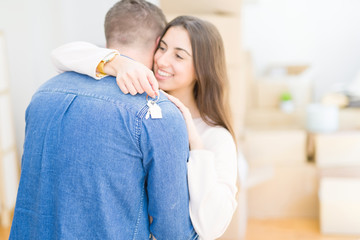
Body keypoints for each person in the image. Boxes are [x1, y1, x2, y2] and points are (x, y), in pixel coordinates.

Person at [9, 1, 198, 239]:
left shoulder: (43, 93)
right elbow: (173, 231)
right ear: (157, 42)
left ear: (109, 34)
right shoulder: (157, 111)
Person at [52, 15, 238, 240]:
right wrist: (120, 63)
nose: (162, 60)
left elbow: (212, 226)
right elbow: (62, 54)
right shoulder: (142, 99)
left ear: (202, 69)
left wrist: (196, 143)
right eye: (162, 48)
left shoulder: (216, 137)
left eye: (179, 55)